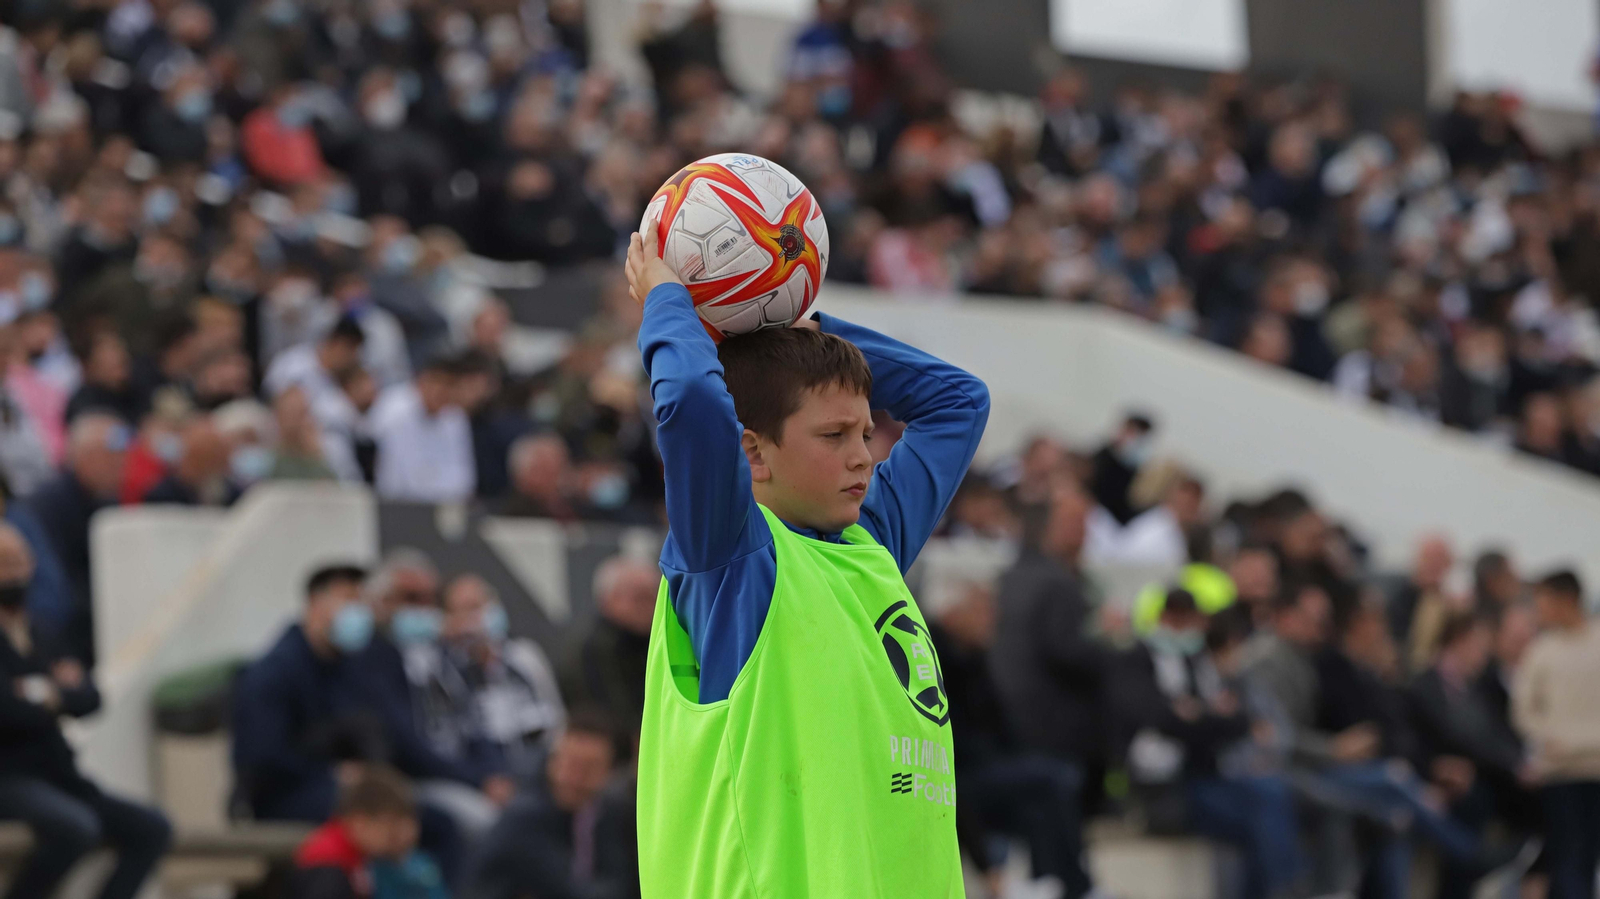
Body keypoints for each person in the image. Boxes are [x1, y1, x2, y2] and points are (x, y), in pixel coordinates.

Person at [627, 215, 989, 897]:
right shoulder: (733, 560)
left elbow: (959, 401)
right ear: (753, 452)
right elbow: (695, 398)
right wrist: (672, 303)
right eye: (834, 435)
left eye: (867, 432)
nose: (864, 456)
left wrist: (801, 321)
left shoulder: (868, 543)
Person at [231, 563, 465, 879]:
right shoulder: (273, 673)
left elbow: (374, 733)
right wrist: (333, 774)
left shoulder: (348, 667)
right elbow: (261, 760)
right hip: (287, 798)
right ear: (316, 603)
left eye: (361, 601)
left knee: (437, 823)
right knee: (422, 825)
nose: (358, 612)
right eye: (348, 599)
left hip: (349, 792)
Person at [0, 522, 172, 899]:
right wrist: (56, 692)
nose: (15, 574)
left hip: (60, 775)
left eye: (20, 562)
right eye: (5, 564)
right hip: (10, 778)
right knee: (76, 827)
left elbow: (90, 698)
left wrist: (43, 694)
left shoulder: (42, 633)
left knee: (152, 828)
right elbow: (8, 712)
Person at [1115, 590, 1299, 899]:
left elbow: (1231, 718)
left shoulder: (1196, 660)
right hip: (1168, 790)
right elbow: (1164, 720)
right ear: (1166, 618)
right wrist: (1205, 717)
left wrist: (1201, 715)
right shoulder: (1138, 661)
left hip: (1208, 776)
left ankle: (1283, 889)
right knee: (1260, 821)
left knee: (1272, 793)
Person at [930, 580, 1092, 899]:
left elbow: (1003, 728)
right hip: (957, 774)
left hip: (986, 768)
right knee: (1053, 779)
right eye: (980, 609)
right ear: (951, 614)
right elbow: (956, 740)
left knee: (1044, 798)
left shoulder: (974, 657)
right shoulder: (935, 658)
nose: (991, 618)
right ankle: (1071, 887)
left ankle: (1059, 885)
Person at [991, 482, 1112, 808]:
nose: (1084, 532)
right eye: (1076, 522)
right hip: (1053, 727)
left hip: (1012, 722)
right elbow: (1068, 651)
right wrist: (1112, 644)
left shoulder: (1013, 574)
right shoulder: (1056, 582)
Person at [462, 709, 639, 899]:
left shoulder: (604, 813)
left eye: (588, 769)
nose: (574, 778)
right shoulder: (527, 818)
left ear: (610, 773)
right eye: (569, 763)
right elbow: (570, 891)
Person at [408, 574, 565, 783]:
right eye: (462, 610)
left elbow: (555, 719)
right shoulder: (438, 669)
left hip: (538, 773)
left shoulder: (523, 656)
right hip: (476, 780)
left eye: (478, 606)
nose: (473, 619)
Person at [1514, 570, 1600, 899]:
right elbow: (1523, 710)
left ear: (1566, 599)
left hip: (1595, 769)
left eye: (1544, 602)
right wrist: (1548, 737)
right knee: (1566, 858)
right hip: (1559, 771)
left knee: (1585, 858)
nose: (1540, 610)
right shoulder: (1541, 650)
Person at [24, 413, 129, 665]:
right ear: (85, 456)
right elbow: (55, 586)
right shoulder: (48, 505)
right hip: (65, 636)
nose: (121, 465)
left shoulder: (107, 501)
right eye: (112, 456)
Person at [290, 764, 447, 899]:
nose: (395, 838)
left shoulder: (359, 857)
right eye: (390, 829)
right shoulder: (328, 866)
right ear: (361, 823)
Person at [558, 555, 657, 737]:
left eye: (654, 598)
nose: (650, 607)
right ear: (608, 599)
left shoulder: (657, 644)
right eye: (640, 598)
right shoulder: (591, 651)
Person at [371, 354, 475, 503]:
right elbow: (391, 481)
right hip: (398, 504)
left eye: (449, 385)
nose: (442, 391)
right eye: (437, 382)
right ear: (421, 381)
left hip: (442, 505)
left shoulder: (456, 418)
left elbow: (463, 480)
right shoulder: (393, 411)